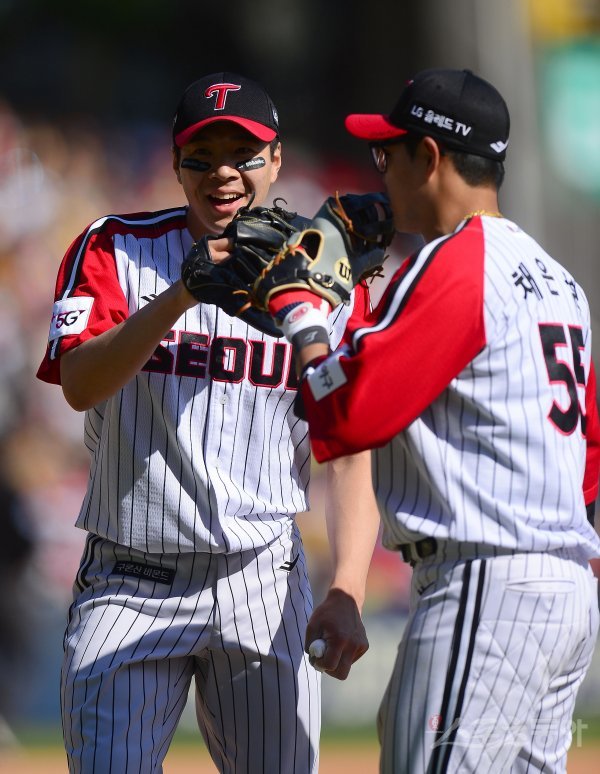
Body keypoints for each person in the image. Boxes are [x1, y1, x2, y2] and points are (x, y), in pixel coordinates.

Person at [36, 71, 380, 773]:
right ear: (176, 164)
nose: (223, 173)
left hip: (262, 579)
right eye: (202, 156)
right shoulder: (114, 247)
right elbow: (79, 383)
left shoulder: (328, 278)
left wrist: (348, 583)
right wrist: (180, 295)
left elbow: (349, 449)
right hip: (130, 576)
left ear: (276, 160)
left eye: (243, 155)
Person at [264, 68, 600, 772]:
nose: (380, 172)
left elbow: (349, 414)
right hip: (562, 590)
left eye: (388, 154)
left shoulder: (456, 264)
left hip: (486, 583)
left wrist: (303, 315)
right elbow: (588, 461)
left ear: (430, 156)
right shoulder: (560, 282)